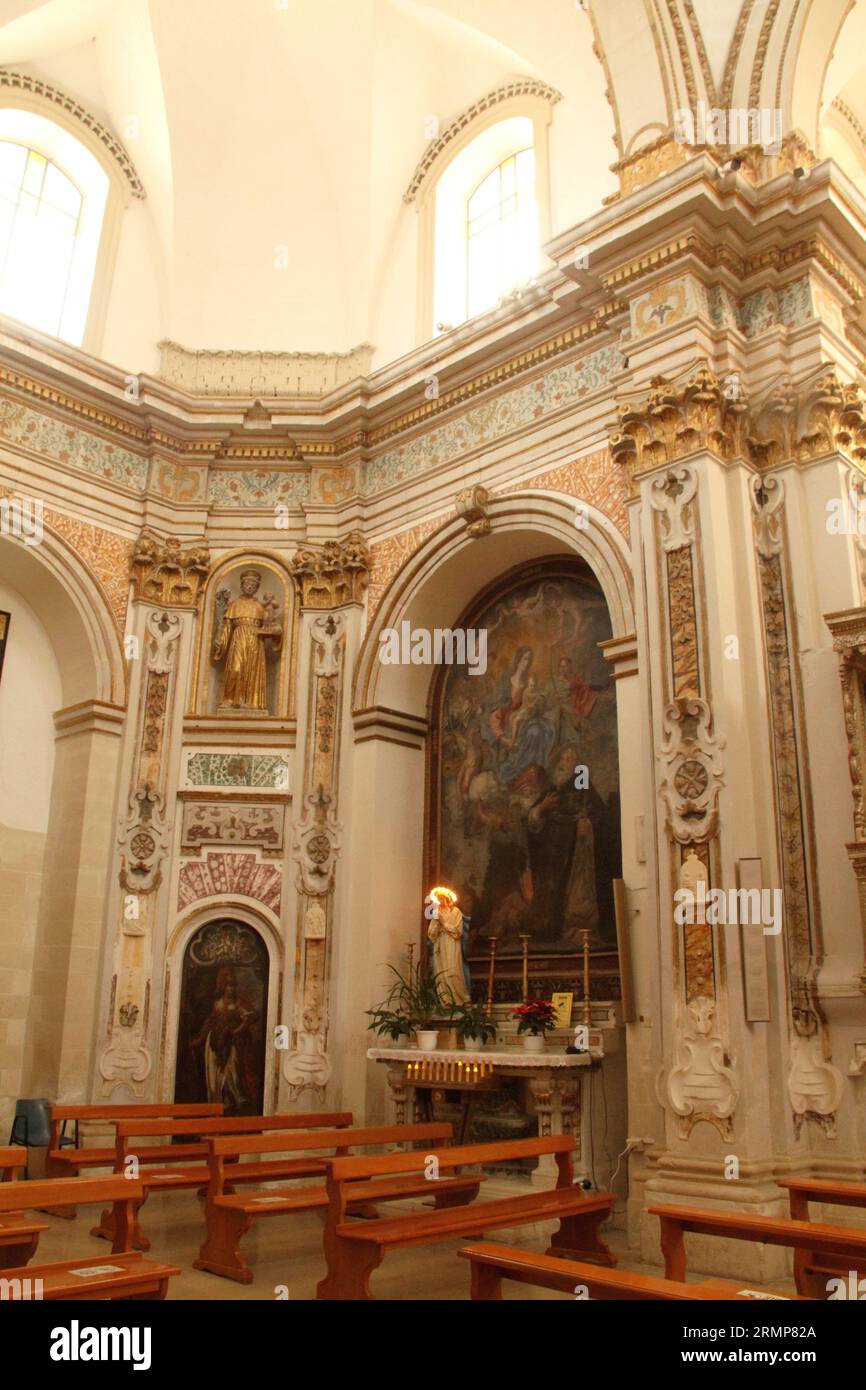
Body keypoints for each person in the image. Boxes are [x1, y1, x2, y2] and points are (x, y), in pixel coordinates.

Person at [213, 569, 281, 710]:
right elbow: (226, 627)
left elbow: (269, 625)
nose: (249, 586)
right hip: (238, 639)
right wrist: (220, 642)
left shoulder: (260, 607)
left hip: (255, 641)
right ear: (242, 585)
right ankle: (230, 699)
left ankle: (250, 702)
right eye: (247, 583)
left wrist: (276, 632)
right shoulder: (234, 604)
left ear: (257, 588)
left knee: (252, 672)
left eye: (253, 584)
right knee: (235, 669)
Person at [426, 887, 471, 1006]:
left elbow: (457, 931)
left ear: (447, 899)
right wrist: (437, 923)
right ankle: (446, 1001)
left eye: (442, 899)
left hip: (451, 944)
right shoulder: (437, 914)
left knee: (453, 971)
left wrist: (443, 923)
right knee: (441, 974)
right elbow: (431, 934)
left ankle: (463, 999)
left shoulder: (455, 912)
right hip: (440, 945)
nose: (440, 902)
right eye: (438, 900)